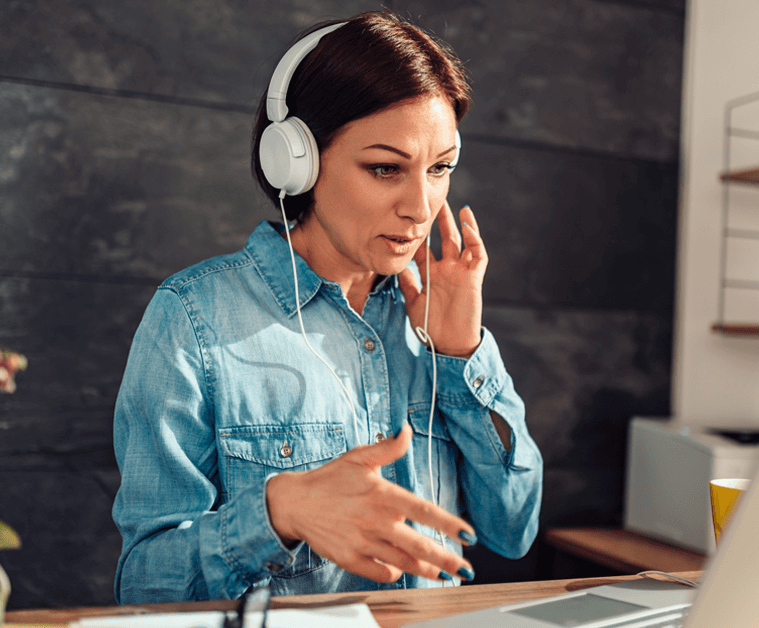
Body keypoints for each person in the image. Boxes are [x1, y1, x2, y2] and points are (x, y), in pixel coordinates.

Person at [111, 11, 542, 604]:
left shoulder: (437, 323)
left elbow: (513, 530)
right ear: (296, 163)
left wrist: (461, 355)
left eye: (440, 168)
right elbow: (143, 586)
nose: (420, 206)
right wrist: (279, 513)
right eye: (386, 168)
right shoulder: (193, 318)